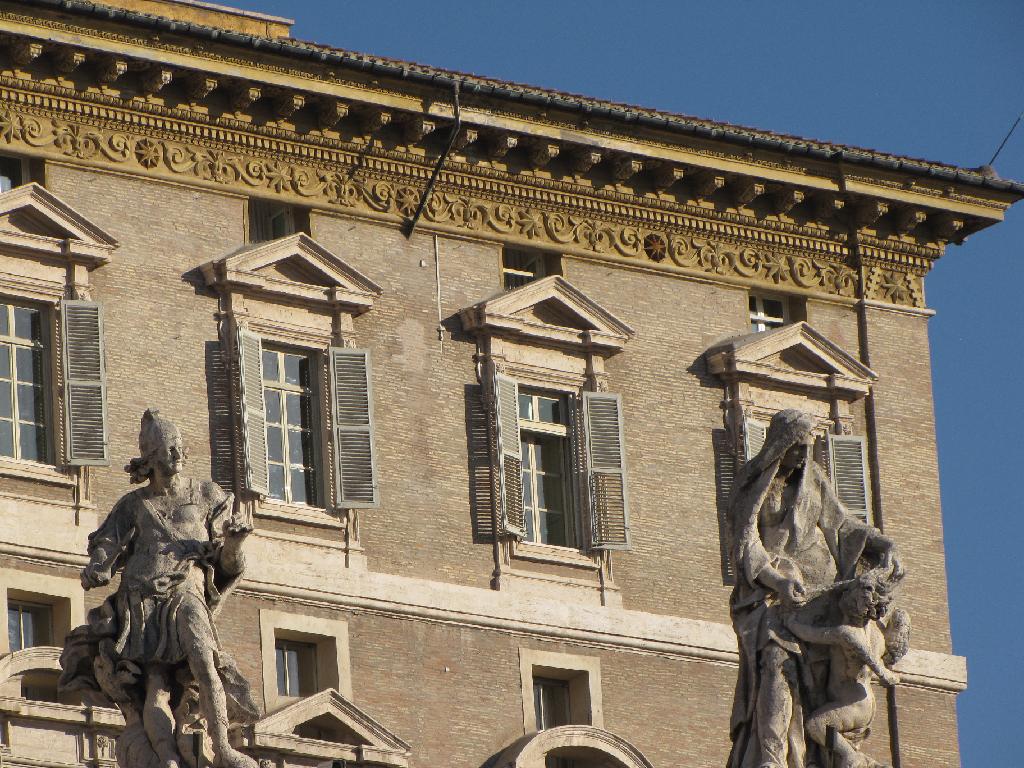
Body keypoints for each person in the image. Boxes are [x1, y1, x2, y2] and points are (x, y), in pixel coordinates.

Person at [60, 409, 259, 768]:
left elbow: (228, 565)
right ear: (150, 458)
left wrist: (234, 544)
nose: (178, 453)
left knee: (204, 661)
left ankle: (223, 747)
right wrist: (97, 567)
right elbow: (107, 543)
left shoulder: (207, 495)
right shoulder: (134, 505)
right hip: (141, 599)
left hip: (185, 592)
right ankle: (165, 756)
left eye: (180, 446)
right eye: (170, 448)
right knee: (155, 686)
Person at [726, 409, 902, 768]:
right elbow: (745, 542)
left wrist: (882, 543)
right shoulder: (752, 483)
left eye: (808, 448)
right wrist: (776, 579)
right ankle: (772, 757)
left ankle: (828, 751)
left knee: (826, 673)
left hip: (821, 589)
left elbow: (843, 525)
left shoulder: (813, 479)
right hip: (773, 591)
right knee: (777, 660)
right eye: (797, 447)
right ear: (780, 444)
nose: (803, 455)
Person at [783, 570, 909, 768]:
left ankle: (852, 757)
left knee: (816, 725)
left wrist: (789, 622)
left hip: (852, 704)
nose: (844, 595)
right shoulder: (877, 633)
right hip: (864, 703)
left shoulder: (846, 633)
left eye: (850, 592)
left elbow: (808, 634)